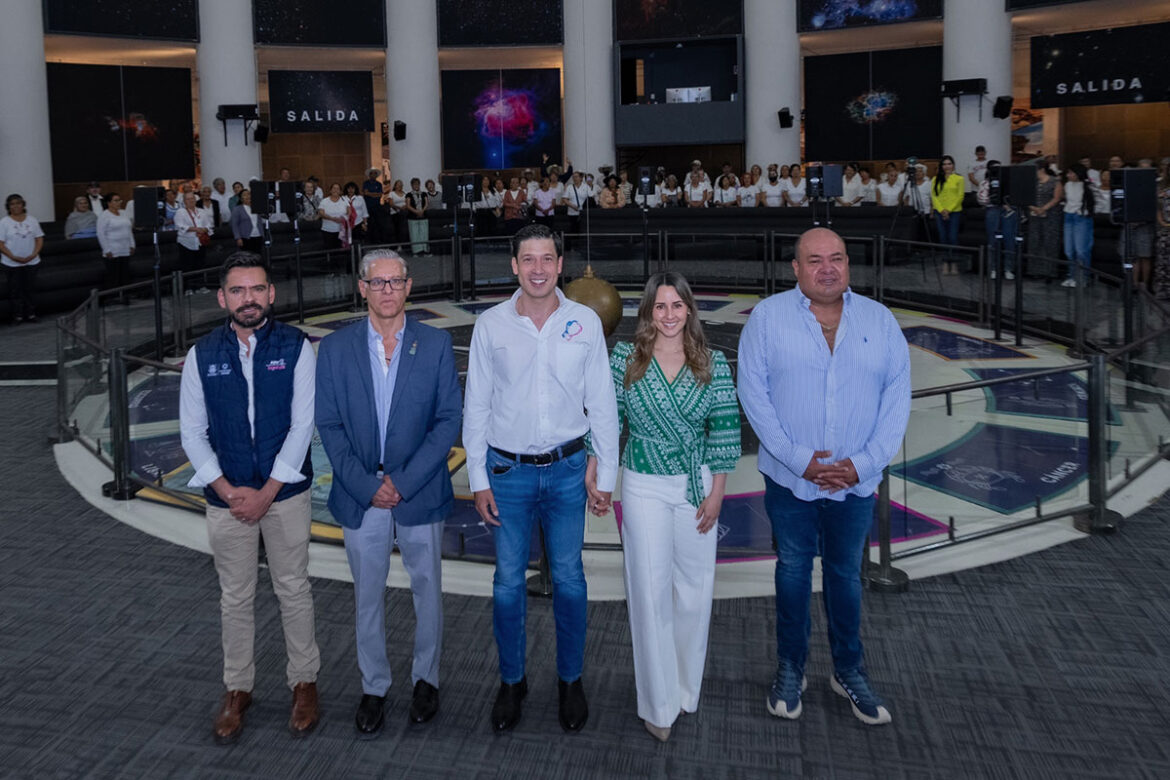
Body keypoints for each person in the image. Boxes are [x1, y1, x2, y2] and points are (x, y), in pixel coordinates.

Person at [737, 227, 910, 727]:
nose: (827, 268)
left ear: (848, 264)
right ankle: (790, 669)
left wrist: (862, 464)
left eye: (836, 258)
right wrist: (800, 460)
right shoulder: (767, 319)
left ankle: (848, 670)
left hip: (856, 482)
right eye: (815, 260)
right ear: (795, 268)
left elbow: (897, 401)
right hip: (790, 480)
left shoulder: (880, 321)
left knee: (844, 576)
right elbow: (755, 398)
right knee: (792, 572)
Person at [462, 223, 619, 734]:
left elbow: (603, 403)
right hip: (508, 474)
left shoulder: (585, 322)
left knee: (571, 579)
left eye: (546, 258)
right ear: (514, 265)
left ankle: (570, 679)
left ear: (560, 264)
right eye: (527, 259)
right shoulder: (490, 325)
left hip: (571, 471)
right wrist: (479, 478)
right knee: (507, 583)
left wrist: (607, 471)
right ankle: (512, 680)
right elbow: (477, 406)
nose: (537, 268)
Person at [315, 249, 461, 736]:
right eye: (377, 283)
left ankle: (427, 679)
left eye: (395, 282)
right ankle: (373, 686)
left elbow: (447, 423)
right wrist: (366, 484)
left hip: (418, 491)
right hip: (362, 495)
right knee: (368, 597)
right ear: (361, 289)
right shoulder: (335, 350)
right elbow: (329, 425)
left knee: (428, 592)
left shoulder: (437, 345)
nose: (386, 291)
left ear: (409, 286)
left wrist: (402, 481)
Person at [178, 251, 321, 744]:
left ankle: (304, 682)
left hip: (285, 495)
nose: (248, 299)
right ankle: (238, 689)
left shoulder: (297, 346)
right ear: (222, 298)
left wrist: (269, 492)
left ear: (271, 294)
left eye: (256, 289)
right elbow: (192, 433)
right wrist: (225, 489)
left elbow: (304, 426)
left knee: (293, 589)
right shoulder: (202, 355)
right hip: (228, 500)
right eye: (237, 291)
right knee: (235, 597)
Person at [607, 272, 741, 742]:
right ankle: (658, 704)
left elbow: (725, 428)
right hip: (642, 481)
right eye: (659, 307)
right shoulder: (625, 358)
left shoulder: (712, 362)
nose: (668, 315)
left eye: (677, 306)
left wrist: (718, 489)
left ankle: (686, 689)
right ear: (647, 311)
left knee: (693, 590)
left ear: (689, 310)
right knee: (648, 591)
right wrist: (597, 471)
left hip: (696, 483)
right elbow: (608, 421)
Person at [0, 193, 44, 324]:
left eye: (18, 203)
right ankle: (17, 316)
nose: (15, 206)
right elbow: (1, 244)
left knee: (30, 289)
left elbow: (39, 238)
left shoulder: (32, 220)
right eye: (12, 204)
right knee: (15, 291)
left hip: (32, 262)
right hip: (11, 263)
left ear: (23, 204)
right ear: (8, 207)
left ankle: (31, 314)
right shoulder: (4, 222)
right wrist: (13, 257)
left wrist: (34, 254)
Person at [977, 161, 1019, 280]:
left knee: (1009, 239)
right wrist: (993, 195)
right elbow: (981, 200)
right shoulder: (985, 183)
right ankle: (993, 268)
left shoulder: (1011, 182)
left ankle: (1008, 269)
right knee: (993, 240)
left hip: (1009, 210)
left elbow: (1017, 196)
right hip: (993, 210)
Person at [1061, 163, 1096, 288]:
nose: (1068, 175)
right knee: (1068, 250)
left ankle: (1083, 277)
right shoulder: (1067, 185)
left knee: (1081, 250)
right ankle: (1071, 275)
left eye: (1071, 173)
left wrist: (1085, 212)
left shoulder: (1088, 187)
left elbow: (1094, 202)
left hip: (1081, 217)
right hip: (1068, 216)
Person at [931, 155, 965, 274]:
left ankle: (954, 263)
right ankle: (945, 262)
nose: (947, 166)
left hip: (954, 212)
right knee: (943, 237)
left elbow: (960, 196)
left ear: (953, 165)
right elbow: (934, 196)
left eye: (949, 164)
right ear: (941, 166)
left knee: (953, 237)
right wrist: (941, 210)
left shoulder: (959, 179)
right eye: (944, 164)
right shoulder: (935, 179)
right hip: (939, 212)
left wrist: (949, 210)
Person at [1028, 163, 1064, 275]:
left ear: (1042, 169)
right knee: (1034, 241)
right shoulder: (1032, 182)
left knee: (1050, 242)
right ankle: (1034, 270)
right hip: (1034, 214)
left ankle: (1050, 271)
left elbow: (1057, 198)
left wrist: (1044, 208)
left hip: (1051, 215)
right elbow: (1026, 196)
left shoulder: (1055, 181)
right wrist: (1033, 207)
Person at [97, 193, 135, 293]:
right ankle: (112, 297)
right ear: (109, 203)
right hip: (112, 249)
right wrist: (106, 249)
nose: (119, 203)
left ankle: (126, 295)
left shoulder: (124, 213)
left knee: (125, 274)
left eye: (119, 200)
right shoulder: (104, 215)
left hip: (125, 248)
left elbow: (128, 230)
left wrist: (132, 244)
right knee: (113, 275)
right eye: (116, 200)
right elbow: (101, 233)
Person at [173, 191, 212, 278]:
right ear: (184, 201)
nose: (191, 201)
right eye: (188, 199)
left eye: (192, 198)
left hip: (200, 242)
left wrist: (204, 229)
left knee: (200, 264)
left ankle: (201, 285)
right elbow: (179, 226)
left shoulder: (202, 211)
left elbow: (208, 225)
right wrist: (195, 229)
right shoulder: (180, 212)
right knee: (187, 265)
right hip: (186, 243)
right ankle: (188, 288)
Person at [318, 183, 351, 252]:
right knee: (329, 250)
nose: (335, 190)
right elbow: (321, 213)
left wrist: (343, 218)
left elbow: (349, 212)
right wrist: (332, 218)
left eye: (337, 189)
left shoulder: (344, 200)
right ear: (330, 190)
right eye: (334, 188)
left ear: (340, 191)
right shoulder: (324, 201)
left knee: (341, 250)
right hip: (327, 230)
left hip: (341, 230)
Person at [231, 188, 263, 253]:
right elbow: (234, 225)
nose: (248, 196)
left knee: (258, 257)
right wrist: (238, 238)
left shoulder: (257, 207)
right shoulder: (237, 209)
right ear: (241, 198)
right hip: (245, 237)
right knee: (247, 258)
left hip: (258, 236)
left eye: (249, 194)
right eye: (245, 195)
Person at [1155, 165, 1170, 300]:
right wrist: (1163, 223)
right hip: (1164, 230)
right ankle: (1163, 291)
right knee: (1163, 262)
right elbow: (1158, 209)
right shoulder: (1160, 187)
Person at [404, 178, 430, 255]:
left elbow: (426, 203)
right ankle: (416, 251)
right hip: (412, 217)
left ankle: (425, 250)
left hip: (423, 216)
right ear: (412, 185)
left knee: (424, 234)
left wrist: (422, 211)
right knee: (414, 235)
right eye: (414, 184)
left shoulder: (424, 193)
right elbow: (408, 205)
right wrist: (416, 212)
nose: (416, 185)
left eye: (417, 184)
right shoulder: (408, 194)